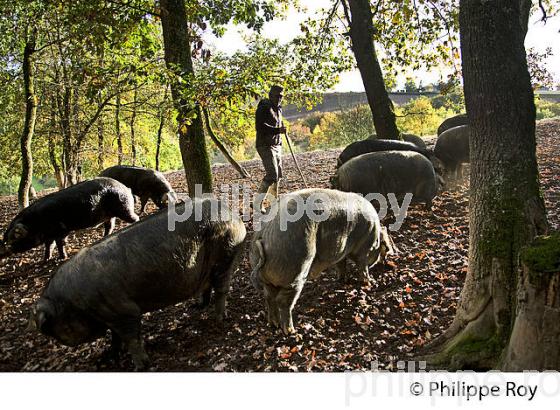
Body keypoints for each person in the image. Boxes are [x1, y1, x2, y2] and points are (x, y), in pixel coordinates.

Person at [254, 85, 286, 213]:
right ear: (270, 95)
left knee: (278, 175)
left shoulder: (278, 108)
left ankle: (274, 203)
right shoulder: (264, 107)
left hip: (276, 145)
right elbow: (260, 127)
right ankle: (257, 204)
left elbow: (276, 123)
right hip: (265, 145)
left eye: (281, 96)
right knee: (272, 174)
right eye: (277, 96)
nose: (279, 99)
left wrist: (280, 131)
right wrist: (277, 130)